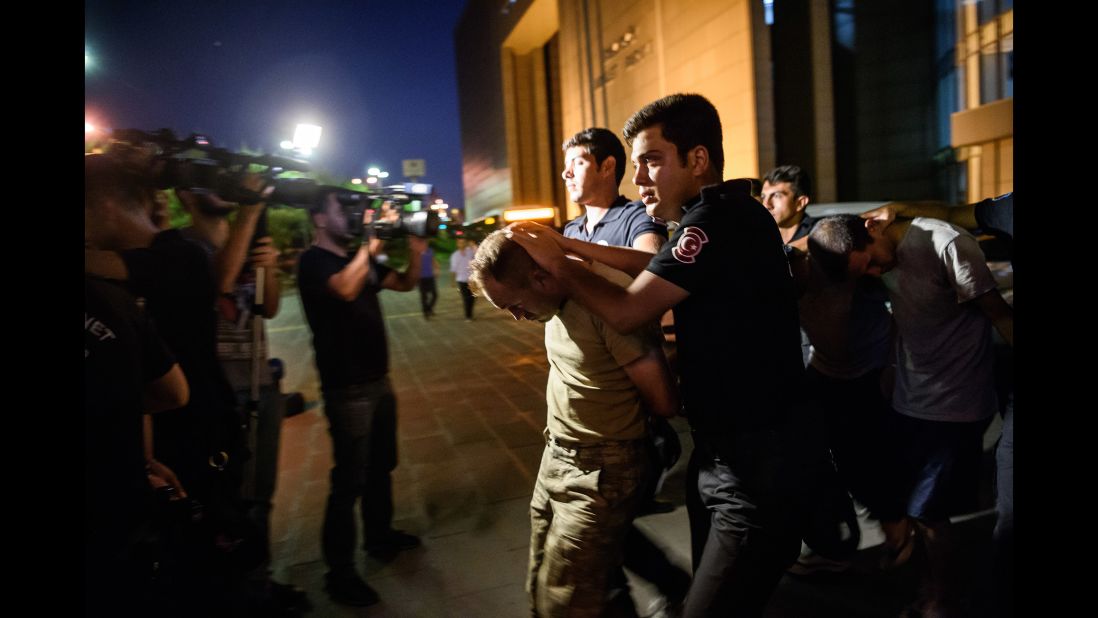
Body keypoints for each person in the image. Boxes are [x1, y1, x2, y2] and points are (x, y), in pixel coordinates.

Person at [509, 93, 811, 616]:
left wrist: (560, 267)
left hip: (757, 463)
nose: (640, 179)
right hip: (723, 453)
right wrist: (572, 246)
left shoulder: (711, 223)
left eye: (652, 161)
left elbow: (627, 311)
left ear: (697, 159)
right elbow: (650, 264)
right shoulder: (719, 215)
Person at [808, 213, 1012, 616]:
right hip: (908, 397)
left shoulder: (945, 244)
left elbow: (997, 312)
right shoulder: (880, 252)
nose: (872, 272)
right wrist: (890, 367)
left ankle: (944, 600)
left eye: (868, 262)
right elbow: (903, 314)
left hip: (955, 402)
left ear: (872, 229)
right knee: (916, 509)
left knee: (928, 510)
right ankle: (932, 586)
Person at [468, 230, 679, 617]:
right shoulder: (553, 301)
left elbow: (663, 400)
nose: (517, 317)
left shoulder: (603, 304)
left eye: (515, 305)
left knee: (565, 600)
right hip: (558, 457)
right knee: (542, 580)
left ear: (541, 277)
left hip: (602, 470)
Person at [176, 183, 310, 611]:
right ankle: (233, 593)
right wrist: (252, 212)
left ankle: (258, 583)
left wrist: (269, 266)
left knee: (260, 496)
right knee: (222, 500)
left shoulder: (248, 244)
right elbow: (219, 283)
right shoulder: (185, 248)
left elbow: (267, 309)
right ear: (184, 196)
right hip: (216, 394)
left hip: (259, 386)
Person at [297, 187, 427, 607]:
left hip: (378, 379)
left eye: (356, 207)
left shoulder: (361, 258)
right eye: (343, 207)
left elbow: (405, 283)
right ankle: (340, 573)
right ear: (319, 218)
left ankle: (379, 537)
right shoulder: (313, 262)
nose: (353, 214)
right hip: (347, 387)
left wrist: (417, 249)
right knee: (348, 481)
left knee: (381, 467)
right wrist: (372, 244)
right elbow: (346, 290)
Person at [561, 127, 668, 253]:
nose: (566, 173)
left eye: (578, 163)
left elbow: (650, 266)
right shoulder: (571, 230)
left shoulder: (638, 216)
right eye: (566, 165)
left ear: (607, 166)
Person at [450, 238, 477, 320]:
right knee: (466, 298)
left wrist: (472, 245)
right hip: (461, 280)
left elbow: (477, 254)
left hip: (472, 280)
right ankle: (468, 316)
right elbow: (453, 269)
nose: (462, 244)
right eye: (460, 243)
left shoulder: (470, 252)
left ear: (466, 243)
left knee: (473, 297)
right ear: (457, 244)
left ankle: (469, 313)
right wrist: (452, 281)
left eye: (463, 242)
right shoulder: (455, 255)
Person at [418, 244, 438, 318]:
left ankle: (428, 309)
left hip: (430, 276)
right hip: (421, 278)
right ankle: (426, 313)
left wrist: (437, 269)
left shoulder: (430, 250)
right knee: (424, 296)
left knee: (435, 295)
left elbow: (433, 260)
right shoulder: (417, 251)